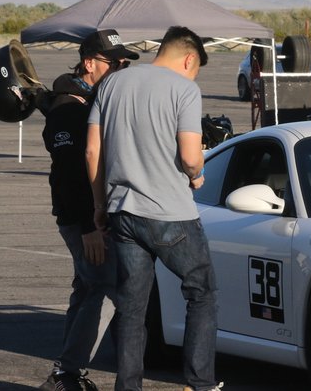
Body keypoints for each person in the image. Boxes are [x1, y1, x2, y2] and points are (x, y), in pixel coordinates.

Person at [86, 26, 222, 391]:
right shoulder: (185, 90)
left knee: (132, 307)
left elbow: (92, 152)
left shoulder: (112, 84)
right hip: (170, 215)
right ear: (189, 58)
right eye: (196, 69)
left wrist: (100, 204)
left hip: (123, 212)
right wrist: (196, 175)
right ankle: (200, 382)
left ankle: (127, 386)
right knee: (201, 292)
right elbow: (192, 157)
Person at [39, 29, 139, 391]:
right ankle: (68, 372)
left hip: (93, 214)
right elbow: (69, 174)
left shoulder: (92, 100)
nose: (120, 68)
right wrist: (88, 227)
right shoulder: (68, 109)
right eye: (114, 62)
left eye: (124, 63)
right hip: (82, 218)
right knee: (107, 287)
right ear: (89, 63)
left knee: (86, 288)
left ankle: (67, 373)